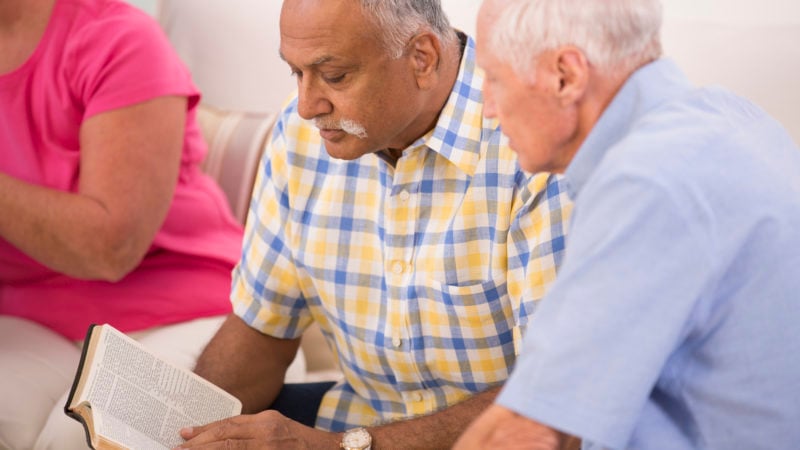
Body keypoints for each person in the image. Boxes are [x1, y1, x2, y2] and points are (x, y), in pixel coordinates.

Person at [176, 0, 572, 448]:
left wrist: (338, 446)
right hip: (356, 423)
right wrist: (181, 431)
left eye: (335, 76)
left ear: (423, 57)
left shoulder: (538, 149)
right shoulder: (299, 134)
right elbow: (262, 328)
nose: (307, 106)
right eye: (296, 72)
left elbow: (556, 400)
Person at [453, 0, 800, 448]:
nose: (488, 110)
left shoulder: (647, 181)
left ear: (567, 76)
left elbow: (526, 432)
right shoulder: (733, 116)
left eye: (494, 79)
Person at [0, 0, 250, 448]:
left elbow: (110, 249)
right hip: (29, 316)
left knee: (79, 441)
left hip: (186, 310)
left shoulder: (119, 39)